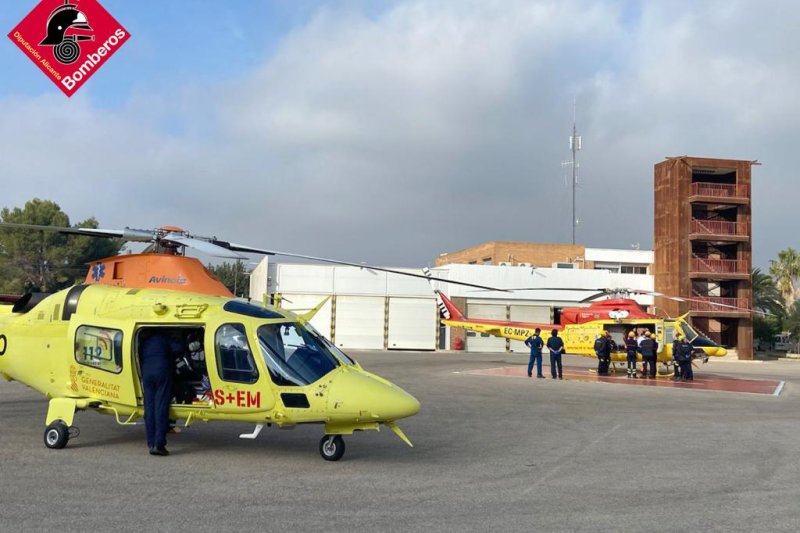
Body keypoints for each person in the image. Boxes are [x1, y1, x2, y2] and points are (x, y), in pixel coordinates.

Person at [139, 329, 174, 456]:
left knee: (149, 408)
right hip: (161, 373)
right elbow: (178, 348)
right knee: (160, 407)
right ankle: (159, 444)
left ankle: (151, 443)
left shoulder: (144, 341)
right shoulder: (163, 337)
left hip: (147, 373)